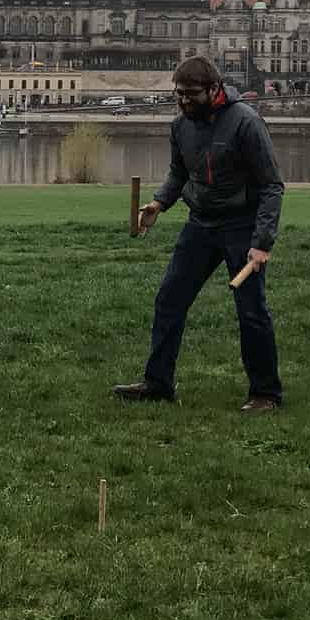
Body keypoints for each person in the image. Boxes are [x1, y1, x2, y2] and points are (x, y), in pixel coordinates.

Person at [116, 56, 285, 412]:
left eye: (191, 95)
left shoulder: (247, 124)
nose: (183, 101)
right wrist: (159, 204)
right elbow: (180, 173)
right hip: (200, 224)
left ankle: (265, 393)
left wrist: (261, 244)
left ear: (214, 89)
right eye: (179, 95)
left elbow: (272, 186)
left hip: (241, 226)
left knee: (251, 311)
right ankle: (158, 384)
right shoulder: (181, 126)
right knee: (169, 300)